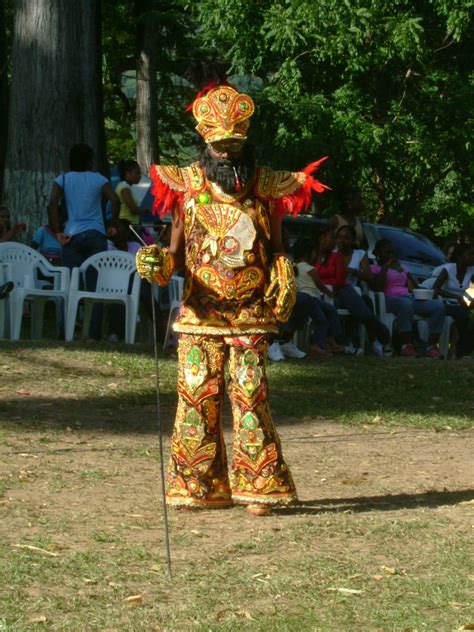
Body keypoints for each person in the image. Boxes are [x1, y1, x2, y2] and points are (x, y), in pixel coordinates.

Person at [135, 83, 329, 514]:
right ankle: (198, 486)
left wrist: (284, 271)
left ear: (245, 142)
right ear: (206, 144)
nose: (227, 152)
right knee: (196, 398)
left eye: (234, 144)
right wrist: (156, 266)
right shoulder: (185, 186)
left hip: (250, 314)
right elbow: (176, 257)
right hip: (200, 314)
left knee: (250, 397)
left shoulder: (264, 188)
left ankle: (259, 487)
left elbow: (277, 247)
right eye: (219, 145)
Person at [48, 144, 120, 339]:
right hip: (96, 234)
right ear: (90, 160)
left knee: (70, 284)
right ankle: (93, 333)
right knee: (94, 287)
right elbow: (114, 200)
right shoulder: (99, 179)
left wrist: (57, 231)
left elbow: (52, 203)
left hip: (71, 235)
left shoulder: (62, 179)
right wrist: (112, 224)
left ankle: (66, 331)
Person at [315, 227, 391, 355]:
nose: (341, 241)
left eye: (346, 238)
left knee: (361, 301)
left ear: (352, 240)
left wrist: (354, 272)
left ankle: (361, 341)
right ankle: (374, 334)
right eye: (339, 237)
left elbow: (369, 277)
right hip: (333, 292)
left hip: (351, 290)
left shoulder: (359, 254)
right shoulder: (330, 253)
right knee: (356, 303)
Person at [371, 239, 445, 358]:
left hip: (408, 298)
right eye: (387, 252)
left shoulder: (400, 266)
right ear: (378, 254)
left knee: (438, 306)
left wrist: (424, 292)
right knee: (405, 304)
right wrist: (385, 267)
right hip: (389, 300)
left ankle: (431, 346)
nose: (391, 255)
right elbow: (378, 287)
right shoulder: (374, 268)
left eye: (392, 253)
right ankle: (406, 345)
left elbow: (415, 286)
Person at [291, 236, 343, 357]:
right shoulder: (311, 269)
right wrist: (329, 293)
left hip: (303, 300)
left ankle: (330, 338)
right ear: (308, 253)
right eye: (314, 252)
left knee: (330, 311)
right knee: (322, 320)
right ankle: (316, 344)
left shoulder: (293, 267)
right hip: (311, 300)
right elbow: (320, 285)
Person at [431, 244, 474, 358]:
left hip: (460, 305)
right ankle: (461, 350)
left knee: (468, 318)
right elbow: (435, 288)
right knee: (463, 317)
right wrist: (456, 297)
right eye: (470, 254)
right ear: (460, 257)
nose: (473, 257)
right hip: (445, 303)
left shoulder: (471, 270)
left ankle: (461, 349)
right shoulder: (448, 269)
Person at [115, 159, 150, 224]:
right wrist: (148, 210)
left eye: (140, 173)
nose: (139, 176)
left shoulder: (128, 187)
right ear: (127, 173)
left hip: (131, 223)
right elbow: (133, 209)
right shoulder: (125, 188)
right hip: (126, 223)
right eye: (137, 173)